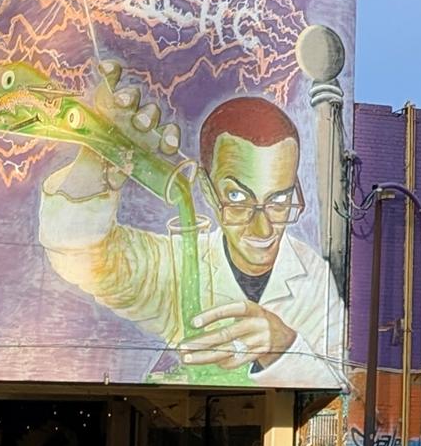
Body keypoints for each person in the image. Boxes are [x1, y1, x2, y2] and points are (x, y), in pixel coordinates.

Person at [38, 62, 344, 387]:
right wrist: (96, 155)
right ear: (207, 191)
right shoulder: (180, 266)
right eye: (237, 198)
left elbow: (344, 389)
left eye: (279, 200)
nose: (263, 229)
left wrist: (281, 346)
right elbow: (79, 254)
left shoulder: (313, 278)